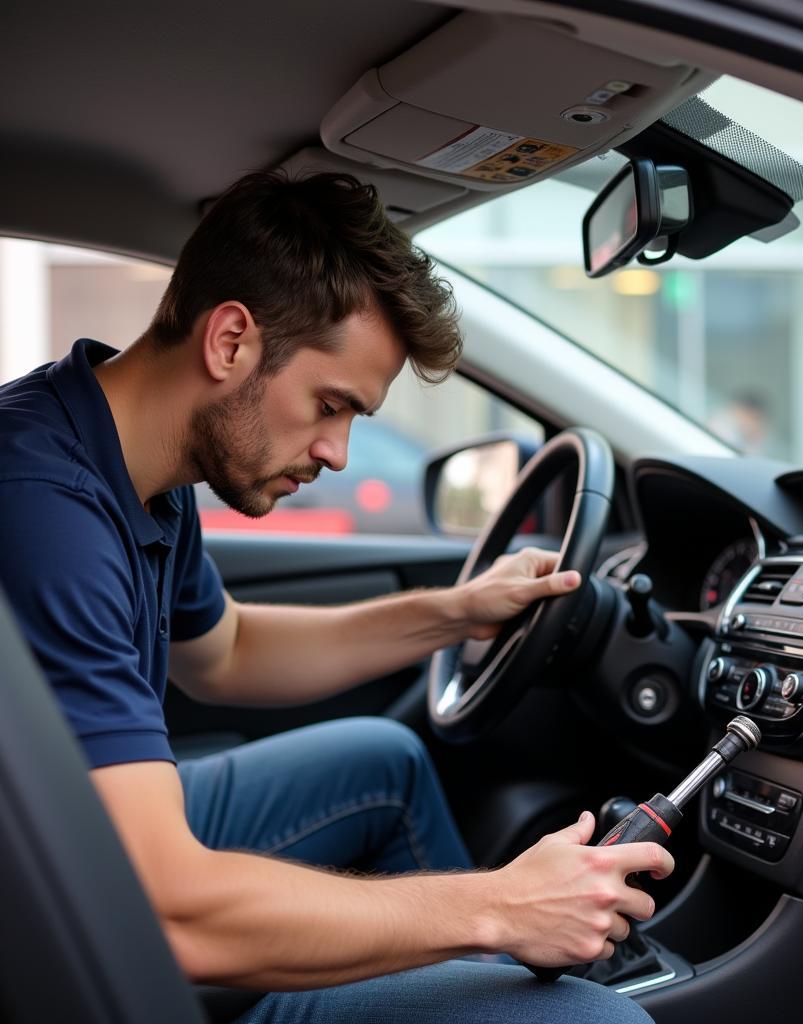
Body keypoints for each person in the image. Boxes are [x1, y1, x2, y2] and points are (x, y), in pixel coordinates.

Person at [0, 171, 671, 1023]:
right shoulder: (43, 512)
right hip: (53, 949)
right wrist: (501, 905)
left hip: (68, 846)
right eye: (331, 404)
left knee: (380, 764)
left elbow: (229, 652)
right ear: (232, 340)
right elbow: (166, 908)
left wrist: (455, 611)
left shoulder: (137, 462)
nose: (339, 453)